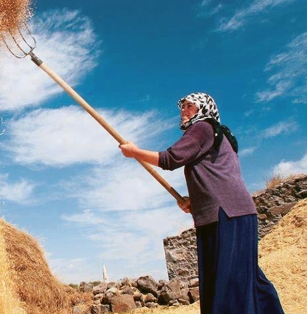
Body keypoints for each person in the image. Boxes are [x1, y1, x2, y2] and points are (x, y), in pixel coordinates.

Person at [119, 92, 285, 314]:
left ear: (204, 109)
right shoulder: (214, 134)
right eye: (182, 107)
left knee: (228, 282)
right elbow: (214, 176)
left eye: (189, 106)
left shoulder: (204, 127)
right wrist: (195, 202)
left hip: (228, 214)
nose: (183, 111)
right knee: (244, 278)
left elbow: (171, 158)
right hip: (227, 213)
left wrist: (135, 153)